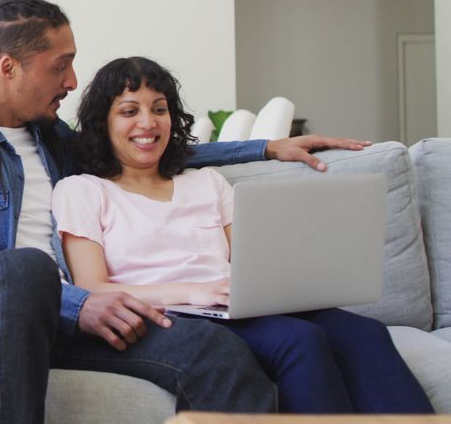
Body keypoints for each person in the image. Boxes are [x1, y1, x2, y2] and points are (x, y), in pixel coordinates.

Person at [0, 0, 370, 423]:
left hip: (68, 318)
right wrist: (80, 302)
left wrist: (267, 148)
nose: (72, 81)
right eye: (60, 66)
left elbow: (139, 149)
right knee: (23, 268)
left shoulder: (50, 137)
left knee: (215, 352)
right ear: (9, 67)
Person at [53, 56, 433, 414]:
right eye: (129, 111)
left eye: (159, 109)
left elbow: (253, 263)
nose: (148, 123)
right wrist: (192, 291)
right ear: (102, 124)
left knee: (364, 332)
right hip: (176, 314)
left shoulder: (206, 182)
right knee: (299, 341)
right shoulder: (84, 190)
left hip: (232, 304)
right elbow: (92, 287)